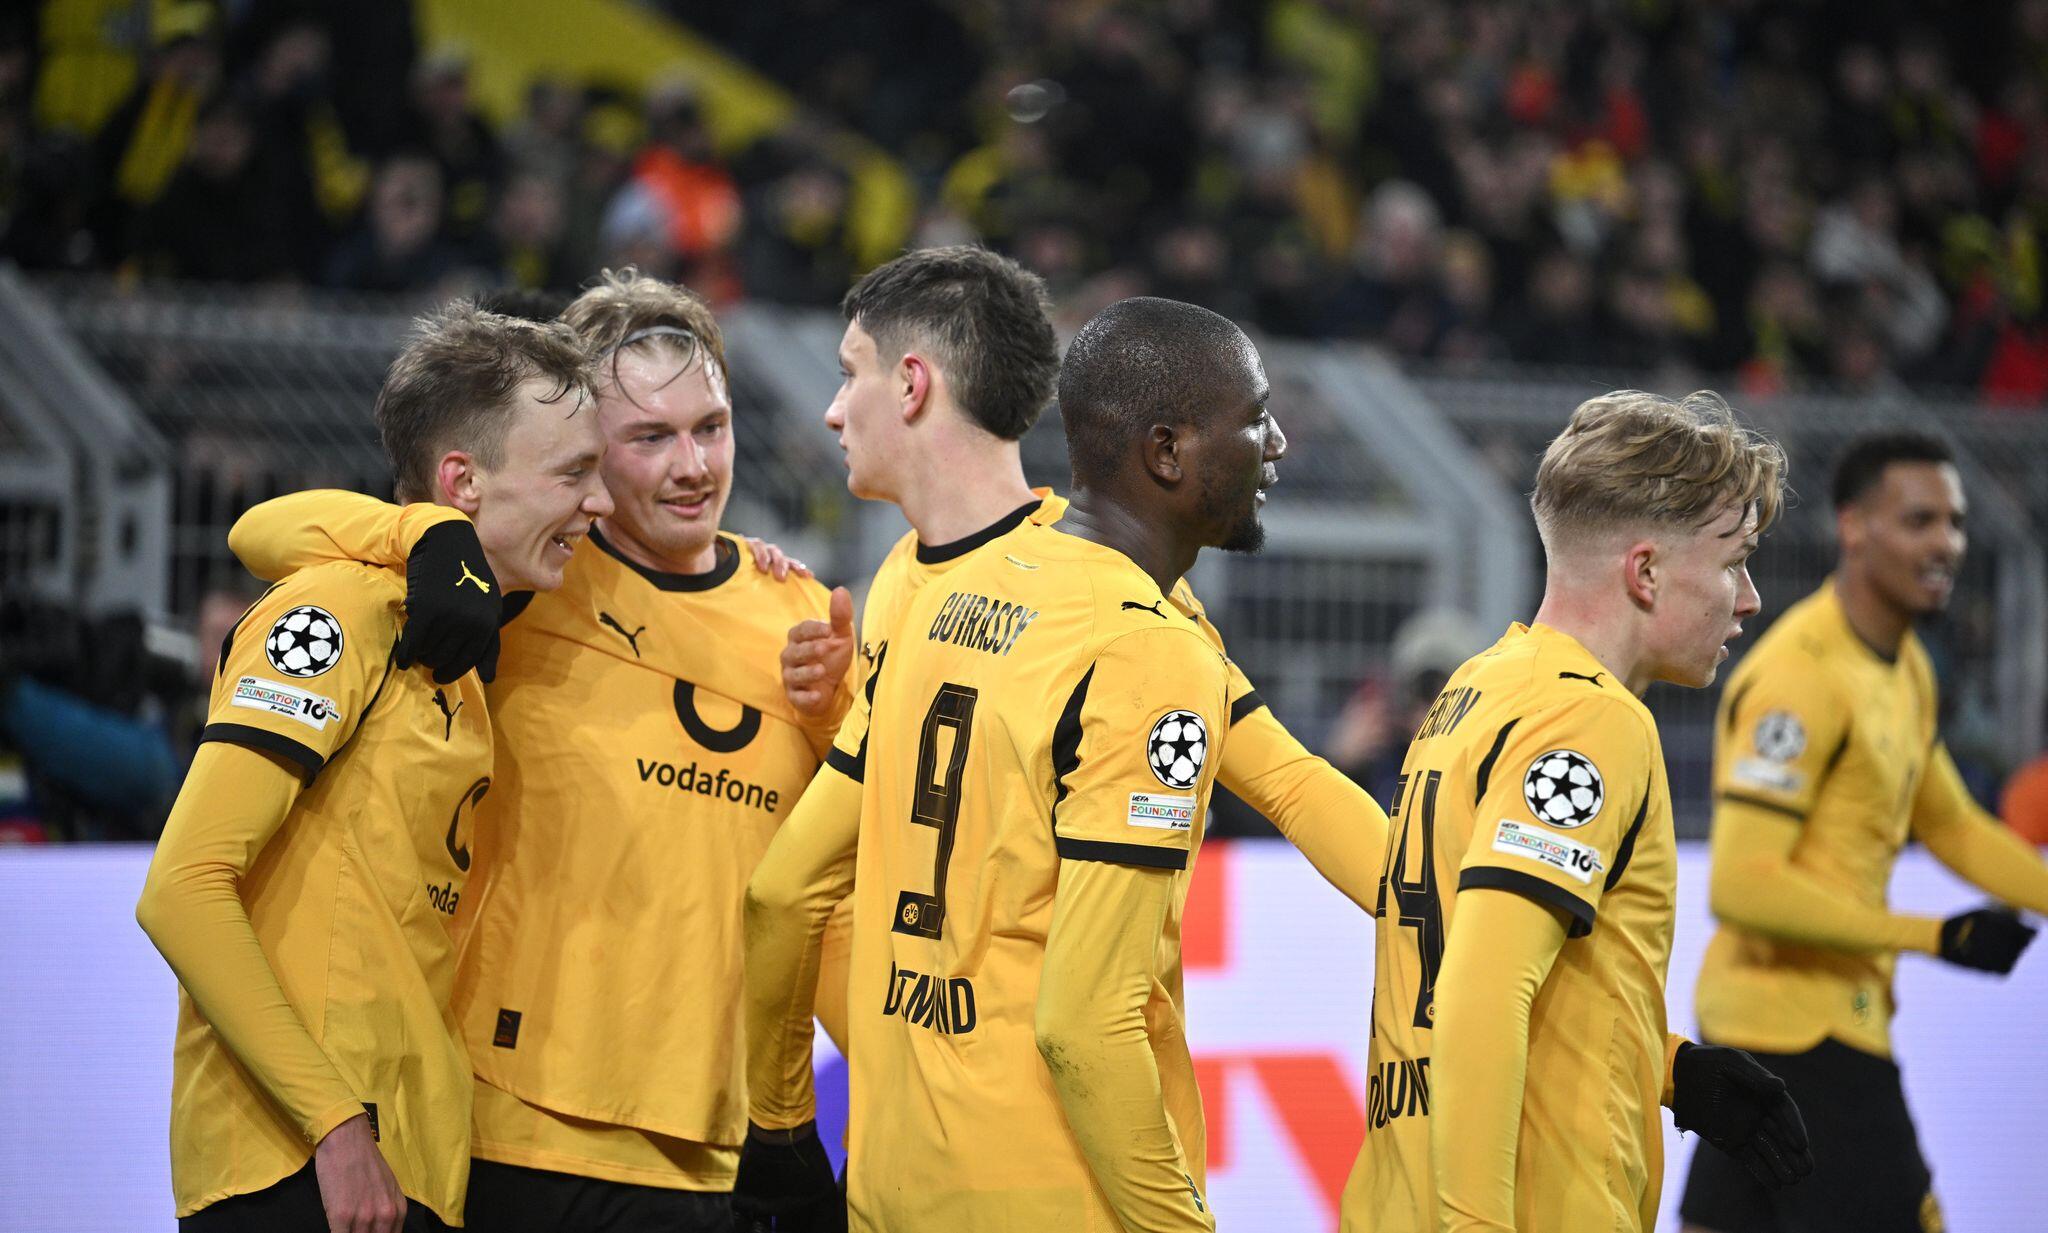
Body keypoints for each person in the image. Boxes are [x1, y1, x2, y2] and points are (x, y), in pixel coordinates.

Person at [737, 248, 1389, 1226]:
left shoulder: (926, 593)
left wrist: (782, 1130)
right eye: (1256, 420)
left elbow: (784, 892)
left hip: (893, 1176)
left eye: (847, 373)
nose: (1277, 444)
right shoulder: (1138, 635)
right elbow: (1086, 1023)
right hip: (1055, 1182)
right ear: (1166, 451)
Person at [225, 271, 853, 1233]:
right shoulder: (526, 574)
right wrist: (426, 535)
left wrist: (834, 711)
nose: (692, 465)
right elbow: (263, 530)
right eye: (649, 438)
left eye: (712, 427)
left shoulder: (802, 612)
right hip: (520, 1131)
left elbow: (832, 879)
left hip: (721, 1145)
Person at [135, 304, 609, 1233]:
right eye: (572, 473)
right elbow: (182, 888)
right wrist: (333, 1123)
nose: (600, 501)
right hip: (302, 1164)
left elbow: (262, 526)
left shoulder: (454, 650)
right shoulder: (344, 608)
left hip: (398, 1159)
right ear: (463, 481)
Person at [1342, 390, 1813, 1233]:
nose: (1747, 598)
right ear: (1646, 571)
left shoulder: (1479, 686)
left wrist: (1663, 1066)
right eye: (1733, 561)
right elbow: (1483, 990)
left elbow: (1452, 926)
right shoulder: (1593, 720)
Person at [1679, 431, 2048, 1233]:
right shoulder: (1802, 673)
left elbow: (1949, 819)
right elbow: (1743, 885)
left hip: (1770, 1027)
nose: (1946, 542)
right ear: (1853, 526)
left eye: (1955, 521)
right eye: (1919, 520)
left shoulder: (1903, 665)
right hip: (1802, 1033)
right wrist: (1932, 935)